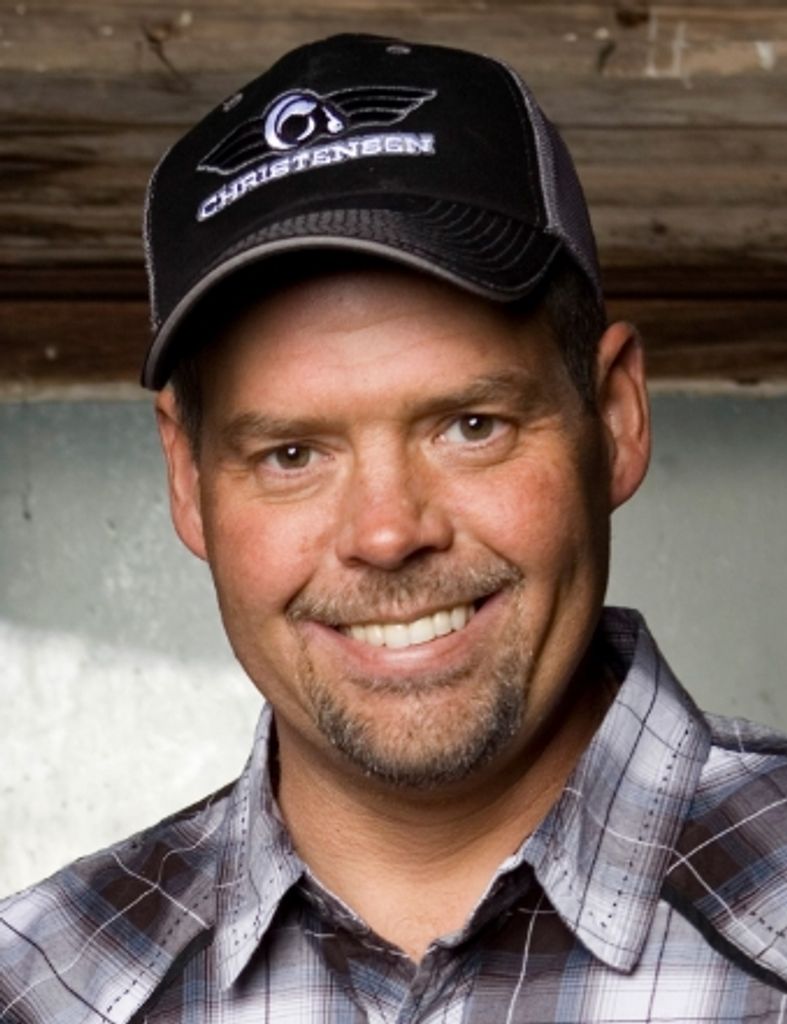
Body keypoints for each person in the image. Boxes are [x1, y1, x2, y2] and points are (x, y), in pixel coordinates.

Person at [2, 32, 787, 1023]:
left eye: (470, 425)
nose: (385, 534)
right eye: (291, 453)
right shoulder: (39, 993)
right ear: (187, 481)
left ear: (616, 419)